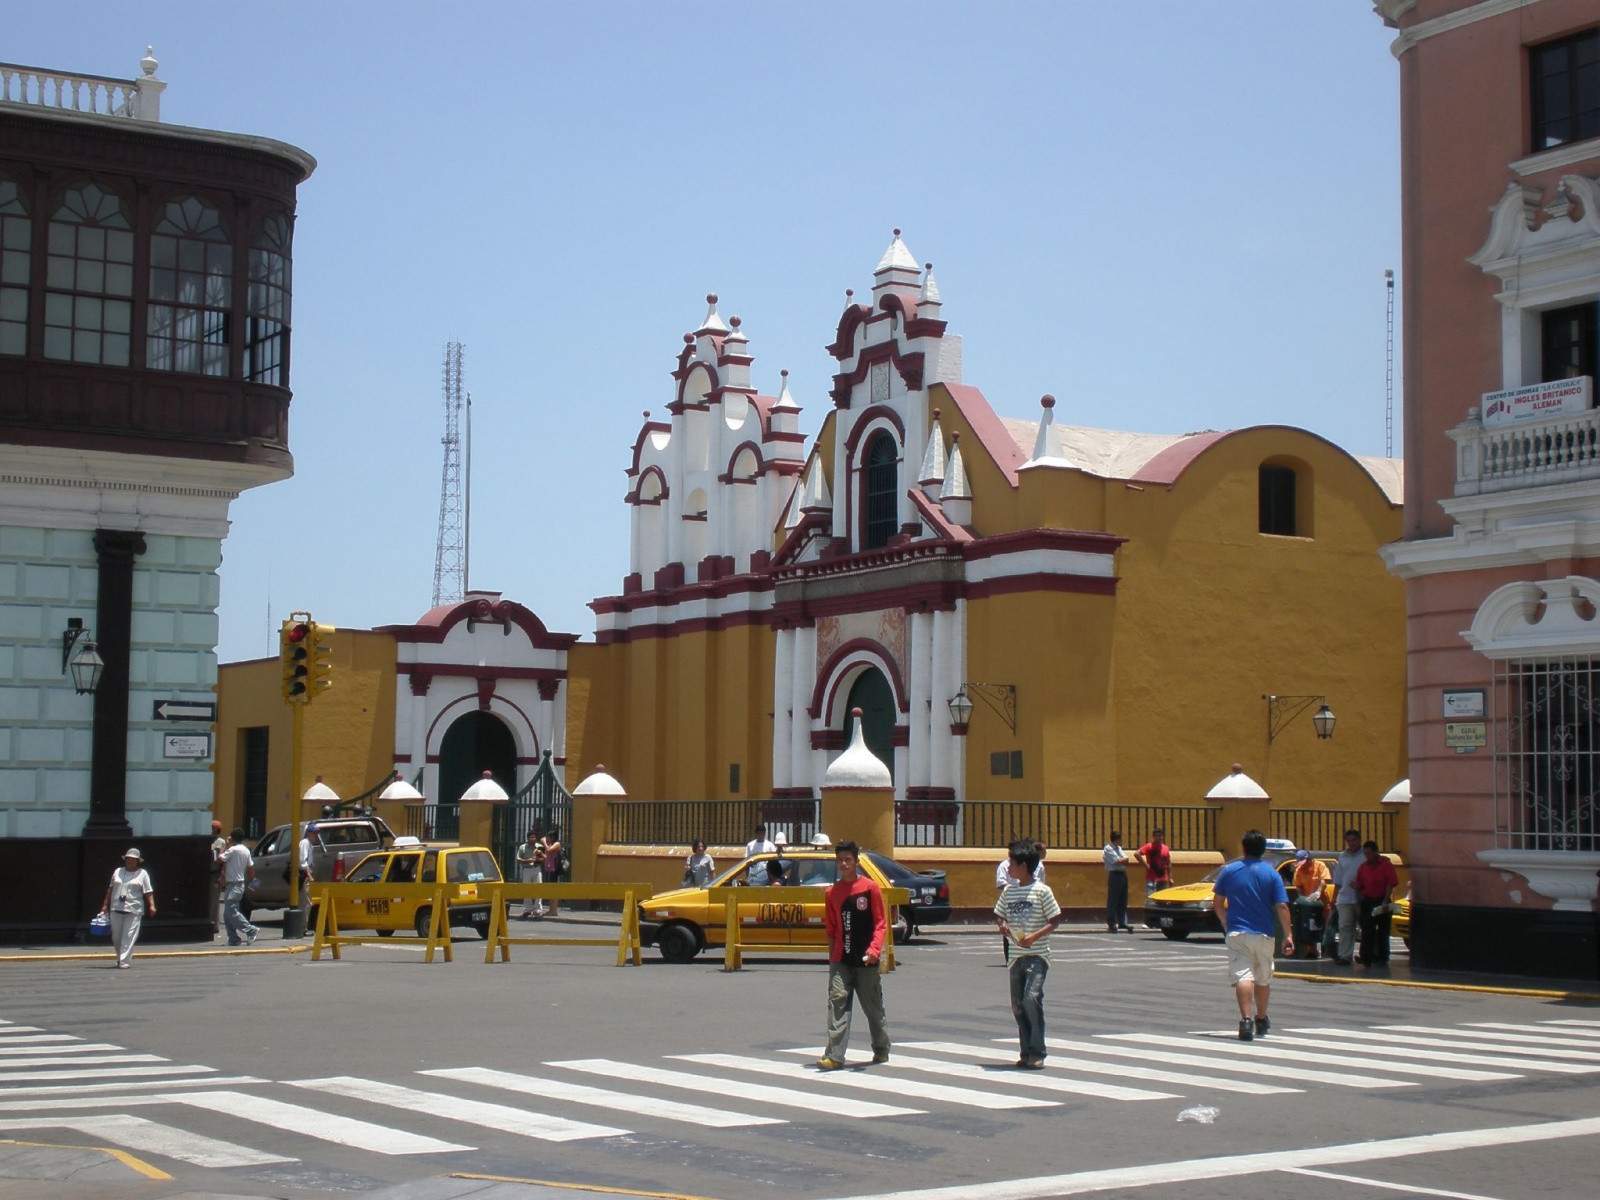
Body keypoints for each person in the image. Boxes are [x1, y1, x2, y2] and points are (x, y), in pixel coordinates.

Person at [1211, 829, 1294, 1040]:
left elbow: (1217, 902)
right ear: (1263, 850)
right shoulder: (1272, 874)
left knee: (1243, 975)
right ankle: (1261, 1018)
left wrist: (1224, 921)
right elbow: (1282, 906)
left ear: (1244, 848)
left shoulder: (1229, 871)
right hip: (1264, 933)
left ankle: (1246, 1020)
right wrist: (1288, 935)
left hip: (1238, 932)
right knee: (1263, 978)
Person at [817, 840, 890, 1070]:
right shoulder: (832, 892)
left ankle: (881, 1048)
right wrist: (832, 958)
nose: (843, 864)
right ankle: (835, 1055)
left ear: (857, 862)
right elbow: (831, 928)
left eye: (848, 859)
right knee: (837, 1003)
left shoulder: (870, 889)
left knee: (872, 1007)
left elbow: (881, 923)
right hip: (841, 959)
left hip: (866, 959)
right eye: (839, 860)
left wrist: (874, 950)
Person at [994, 838, 1063, 1069]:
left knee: (1031, 998)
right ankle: (1025, 1051)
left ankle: (1037, 1051)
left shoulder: (1042, 891)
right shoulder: (1008, 892)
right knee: (1017, 1004)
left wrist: (1034, 937)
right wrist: (1002, 926)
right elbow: (1000, 915)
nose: (1008, 866)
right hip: (1015, 956)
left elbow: (1055, 920)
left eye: (1012, 862)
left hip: (1037, 956)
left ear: (1023, 865)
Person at [99, 848, 155, 969]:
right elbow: (110, 888)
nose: (130, 861)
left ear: (137, 861)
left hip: (134, 909)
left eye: (133, 859)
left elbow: (148, 891)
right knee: (116, 937)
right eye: (128, 858)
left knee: (129, 935)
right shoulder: (117, 871)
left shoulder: (143, 873)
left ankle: (124, 961)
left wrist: (152, 905)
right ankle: (119, 958)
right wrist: (105, 905)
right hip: (116, 908)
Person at [1353, 840, 1400, 966]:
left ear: (1375, 852)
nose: (1367, 856)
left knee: (1383, 931)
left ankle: (1382, 957)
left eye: (1369, 853)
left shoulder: (1386, 865)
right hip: (1368, 901)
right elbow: (1359, 885)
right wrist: (1360, 899)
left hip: (1382, 900)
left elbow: (1390, 883)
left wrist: (1385, 900)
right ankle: (1366, 957)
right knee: (1367, 930)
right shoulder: (1363, 867)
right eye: (1365, 854)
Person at [219, 828, 259, 946]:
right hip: (239, 884)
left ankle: (251, 929)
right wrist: (254, 884)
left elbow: (219, 858)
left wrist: (225, 845)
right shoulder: (246, 850)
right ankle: (233, 938)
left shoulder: (232, 849)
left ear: (232, 838)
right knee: (227, 913)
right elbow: (251, 868)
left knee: (231, 911)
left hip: (233, 884)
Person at [1330, 828, 1365, 965]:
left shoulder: (1365, 855)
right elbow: (1338, 881)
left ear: (1359, 840)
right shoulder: (1342, 856)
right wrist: (1334, 899)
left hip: (1362, 897)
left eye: (1354, 840)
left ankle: (1366, 955)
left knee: (1365, 928)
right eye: (1349, 841)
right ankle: (1345, 956)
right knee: (1345, 927)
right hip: (1345, 897)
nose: (1352, 843)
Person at [1289, 849, 1331, 960]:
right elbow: (1298, 886)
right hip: (1309, 905)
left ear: (1309, 859)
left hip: (1322, 903)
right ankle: (1311, 951)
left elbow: (1324, 880)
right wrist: (1302, 897)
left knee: (1325, 927)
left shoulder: (1319, 866)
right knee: (1309, 927)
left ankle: (1326, 951)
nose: (1302, 866)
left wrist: (1318, 892)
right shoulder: (1299, 870)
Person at [1103, 831, 1134, 932]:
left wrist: (1123, 860)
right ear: (1117, 839)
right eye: (1120, 839)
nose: (1122, 841)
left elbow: (1126, 859)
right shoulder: (1108, 849)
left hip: (1122, 874)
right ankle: (1111, 922)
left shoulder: (1119, 848)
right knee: (1113, 899)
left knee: (1123, 898)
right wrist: (1123, 860)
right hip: (1114, 874)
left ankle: (1122, 922)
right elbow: (1117, 861)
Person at [515, 829, 545, 918]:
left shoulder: (539, 847)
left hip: (536, 868)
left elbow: (544, 859)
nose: (533, 839)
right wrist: (527, 860)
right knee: (526, 889)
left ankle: (537, 909)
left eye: (535, 837)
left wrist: (537, 858)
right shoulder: (522, 847)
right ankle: (527, 909)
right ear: (528, 838)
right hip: (527, 869)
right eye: (531, 837)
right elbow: (518, 859)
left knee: (538, 888)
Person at [1135, 828, 1172, 896]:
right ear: (1153, 837)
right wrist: (1146, 865)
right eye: (1156, 836)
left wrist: (1170, 877)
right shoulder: (1149, 846)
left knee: (1162, 900)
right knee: (1151, 900)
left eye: (1160, 835)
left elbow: (1168, 863)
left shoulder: (1165, 848)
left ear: (1163, 836)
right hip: (1152, 878)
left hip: (1163, 879)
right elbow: (1137, 854)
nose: (1158, 837)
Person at [295, 821, 316, 935]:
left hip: (307, 874)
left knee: (306, 902)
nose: (316, 835)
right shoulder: (305, 843)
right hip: (304, 876)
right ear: (309, 833)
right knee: (305, 902)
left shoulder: (310, 844)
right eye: (314, 833)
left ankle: (303, 926)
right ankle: (303, 928)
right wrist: (309, 874)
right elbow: (302, 862)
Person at [208, 819, 226, 939]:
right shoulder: (207, 841)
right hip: (207, 873)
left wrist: (221, 876)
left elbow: (222, 858)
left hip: (215, 873)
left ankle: (213, 924)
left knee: (214, 901)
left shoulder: (220, 842)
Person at [540, 827, 564, 916]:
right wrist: (541, 854)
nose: (547, 839)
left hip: (555, 870)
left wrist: (544, 842)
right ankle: (551, 909)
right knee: (550, 889)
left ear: (552, 837)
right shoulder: (551, 844)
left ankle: (554, 910)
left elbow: (549, 851)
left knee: (554, 889)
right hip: (549, 869)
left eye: (548, 837)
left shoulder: (557, 844)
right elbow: (548, 857)